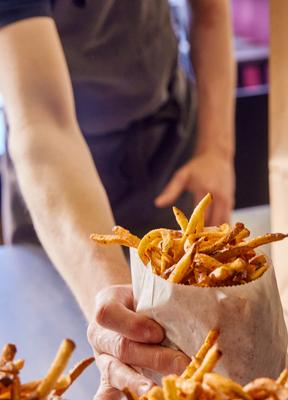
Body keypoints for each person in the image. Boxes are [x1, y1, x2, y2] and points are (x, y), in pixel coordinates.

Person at [0, 1, 235, 398]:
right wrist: (114, 304)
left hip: (168, 154)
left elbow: (210, 11)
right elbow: (44, 121)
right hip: (57, 187)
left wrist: (216, 149)